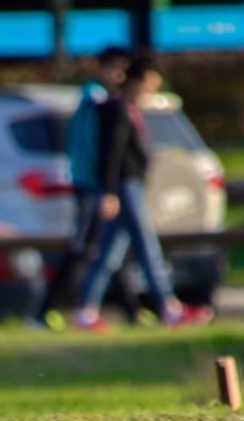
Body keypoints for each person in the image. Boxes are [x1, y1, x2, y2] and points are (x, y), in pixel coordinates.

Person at [74, 56, 212, 330]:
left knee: (110, 253)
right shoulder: (116, 110)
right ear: (136, 81)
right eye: (148, 85)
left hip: (129, 186)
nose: (150, 92)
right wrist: (110, 191)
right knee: (147, 247)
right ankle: (168, 307)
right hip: (124, 187)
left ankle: (85, 311)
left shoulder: (128, 109)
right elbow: (110, 155)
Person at [35, 46, 146, 331]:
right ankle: (46, 311)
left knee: (107, 246)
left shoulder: (98, 99)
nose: (120, 76)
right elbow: (93, 148)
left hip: (94, 183)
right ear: (103, 67)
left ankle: (133, 311)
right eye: (116, 69)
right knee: (85, 245)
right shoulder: (95, 100)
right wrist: (102, 185)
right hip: (90, 184)